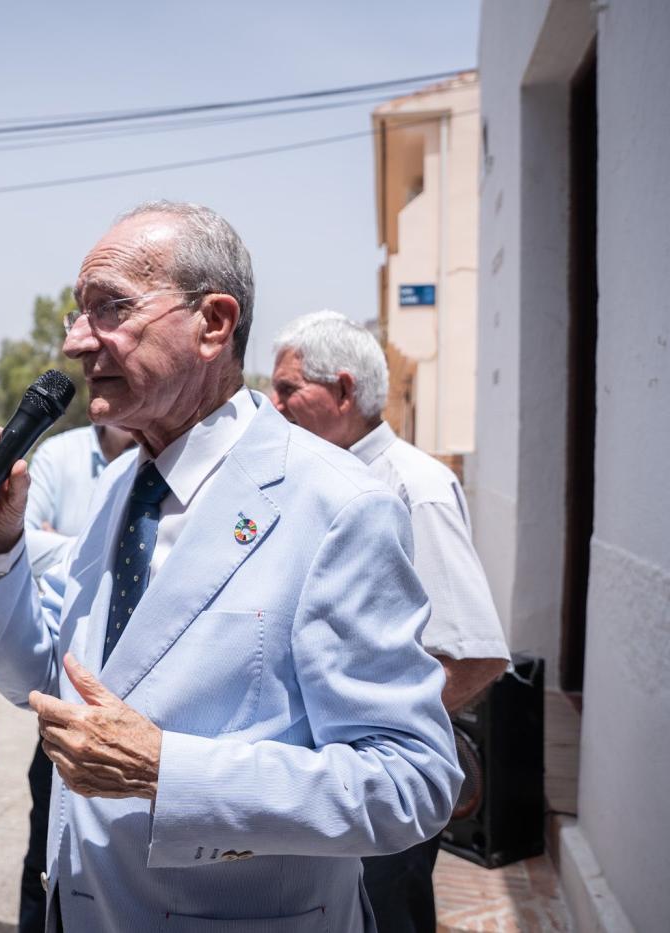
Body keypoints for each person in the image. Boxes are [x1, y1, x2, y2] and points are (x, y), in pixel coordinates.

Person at [0, 201, 461, 932]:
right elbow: (47, 684)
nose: (73, 342)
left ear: (213, 323)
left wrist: (168, 771)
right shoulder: (121, 490)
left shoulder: (337, 504)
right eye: (76, 313)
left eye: (108, 309)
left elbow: (412, 780)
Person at [271, 310, 511, 933]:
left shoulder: (415, 487)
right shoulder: (316, 478)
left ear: (344, 392)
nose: (272, 405)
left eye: (288, 390)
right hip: (327, 792)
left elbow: (476, 653)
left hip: (378, 793)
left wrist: (382, 741)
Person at [16, 423, 134, 933]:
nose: (83, 346)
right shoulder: (59, 454)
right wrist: (90, 548)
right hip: (66, 709)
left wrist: (66, 544)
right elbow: (18, 536)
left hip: (147, 738)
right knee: (46, 853)